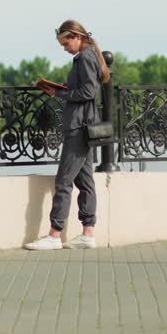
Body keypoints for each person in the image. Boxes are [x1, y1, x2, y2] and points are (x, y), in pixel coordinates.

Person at [24, 19, 111, 251]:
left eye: (65, 43)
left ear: (76, 37)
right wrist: (62, 88)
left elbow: (87, 91)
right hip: (84, 125)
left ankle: (54, 235)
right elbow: (84, 88)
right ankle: (88, 234)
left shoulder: (85, 57)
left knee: (63, 181)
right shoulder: (89, 55)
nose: (64, 48)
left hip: (78, 127)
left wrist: (60, 94)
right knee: (85, 180)